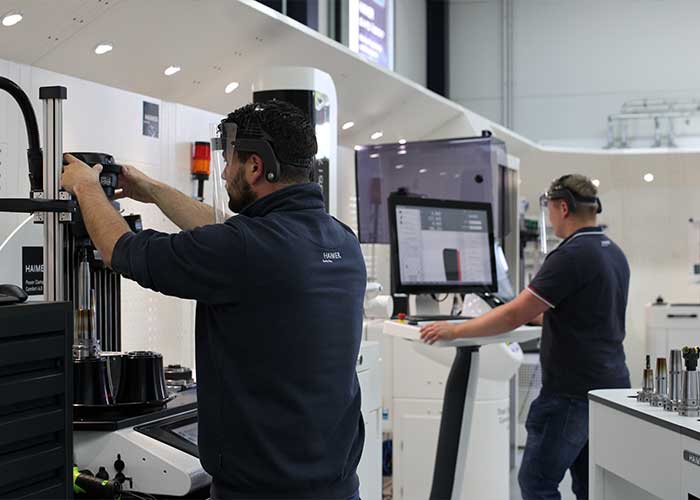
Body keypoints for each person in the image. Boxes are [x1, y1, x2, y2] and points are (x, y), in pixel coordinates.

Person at [61, 100, 367, 500]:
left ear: (256, 167)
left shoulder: (245, 249)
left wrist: (85, 187)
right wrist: (152, 191)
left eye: (230, 161)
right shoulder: (342, 240)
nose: (223, 172)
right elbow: (228, 234)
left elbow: (119, 251)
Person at [420, 174, 631, 500]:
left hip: (570, 395)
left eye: (550, 209)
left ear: (563, 207)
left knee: (536, 483)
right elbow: (588, 313)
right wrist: (538, 313)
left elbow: (511, 314)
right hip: (609, 387)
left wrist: (456, 329)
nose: (549, 218)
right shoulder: (613, 252)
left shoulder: (570, 254)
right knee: (591, 487)